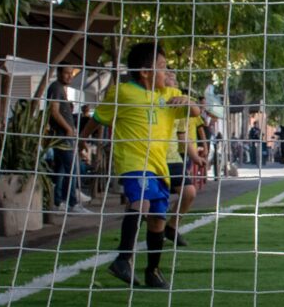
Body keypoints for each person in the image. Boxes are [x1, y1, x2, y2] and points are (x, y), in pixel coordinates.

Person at [81, 42, 202, 289]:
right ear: (145, 71)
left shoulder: (169, 96)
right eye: (161, 67)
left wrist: (186, 103)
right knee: (143, 201)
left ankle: (152, 271)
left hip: (160, 166)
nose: (166, 72)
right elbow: (98, 118)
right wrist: (81, 139)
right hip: (133, 161)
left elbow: (196, 111)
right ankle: (123, 258)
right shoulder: (122, 92)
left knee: (158, 217)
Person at [162, 70, 206, 246]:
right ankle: (130, 235)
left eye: (174, 77)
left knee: (189, 193)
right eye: (167, 75)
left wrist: (195, 156)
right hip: (150, 157)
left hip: (173, 157)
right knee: (143, 201)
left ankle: (171, 227)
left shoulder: (180, 102)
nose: (172, 80)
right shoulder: (150, 99)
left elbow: (183, 134)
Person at [46, 65, 90, 214]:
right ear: (59, 73)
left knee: (62, 170)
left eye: (71, 73)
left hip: (64, 136)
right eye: (66, 73)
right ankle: (72, 202)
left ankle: (59, 202)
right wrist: (68, 128)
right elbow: (54, 111)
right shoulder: (56, 88)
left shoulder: (59, 88)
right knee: (72, 168)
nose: (70, 76)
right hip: (62, 136)